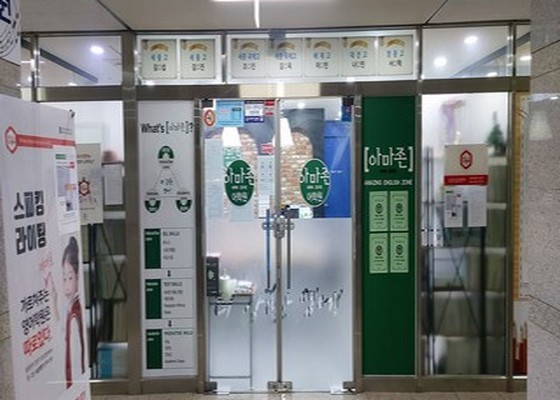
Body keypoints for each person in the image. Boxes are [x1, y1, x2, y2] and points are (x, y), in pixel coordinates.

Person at [60, 236, 86, 388]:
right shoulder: (73, 309)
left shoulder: (75, 314)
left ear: (78, 276)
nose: (66, 286)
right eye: (64, 278)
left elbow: (76, 361)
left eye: (70, 277)